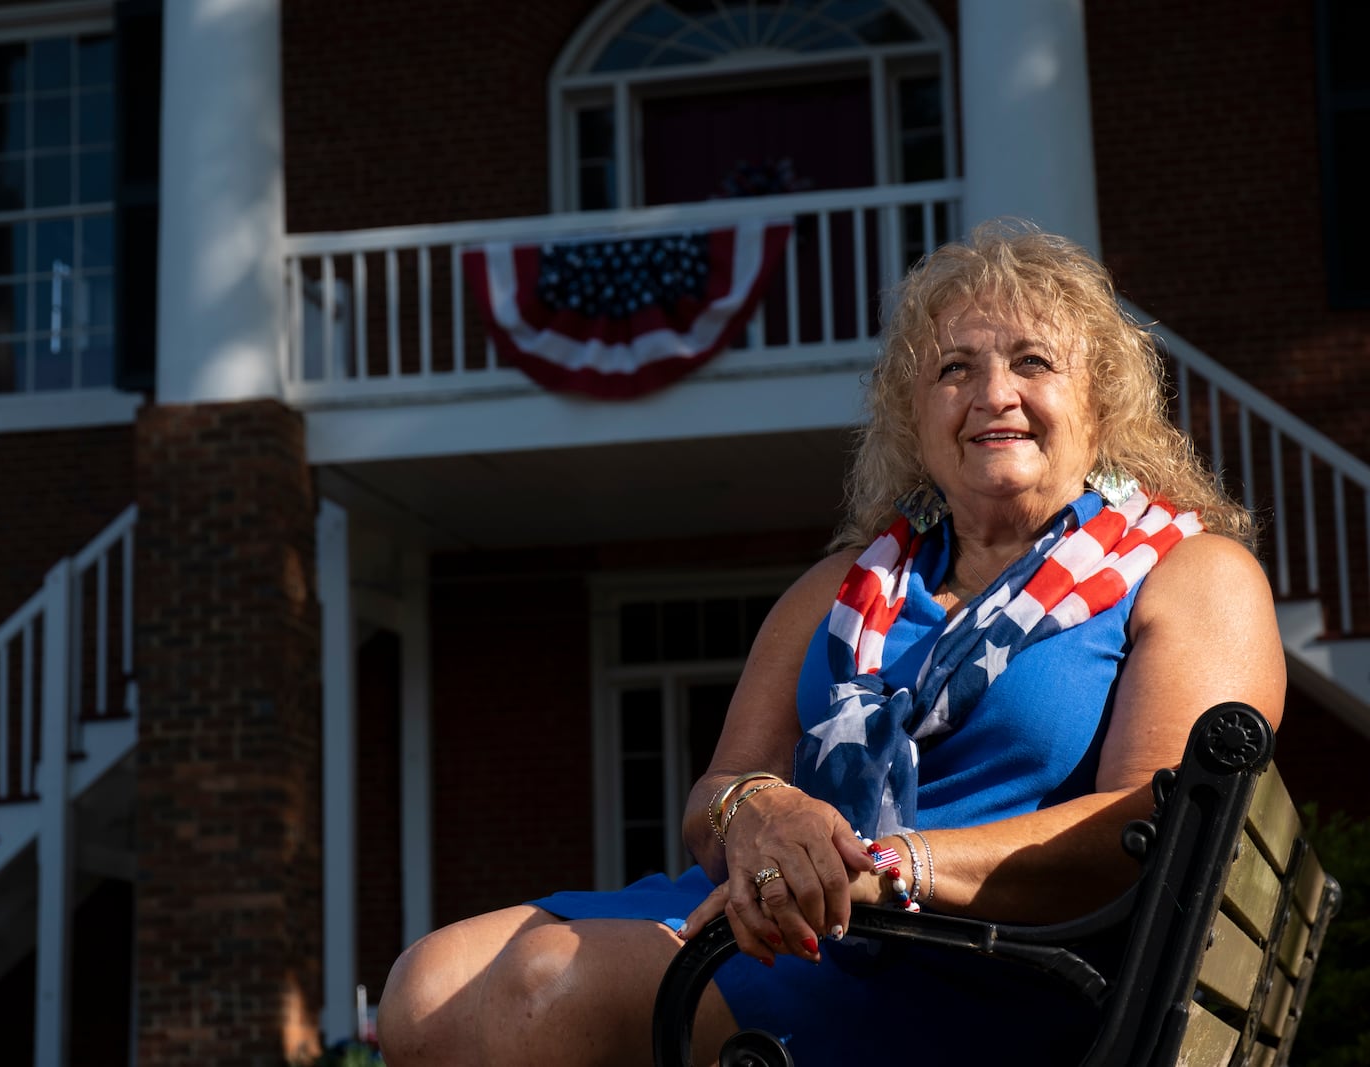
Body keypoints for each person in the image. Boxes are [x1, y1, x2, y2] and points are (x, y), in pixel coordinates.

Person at [376, 220, 1286, 1066]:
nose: (992, 395)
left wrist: (886, 868)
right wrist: (761, 813)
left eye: (1033, 362)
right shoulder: (846, 586)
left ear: (1101, 400)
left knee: (548, 986)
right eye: (953, 370)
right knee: (422, 988)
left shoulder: (1185, 571)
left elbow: (1149, 822)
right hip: (791, 922)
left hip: (974, 962)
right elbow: (716, 795)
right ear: (913, 414)